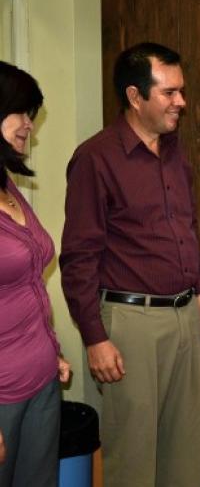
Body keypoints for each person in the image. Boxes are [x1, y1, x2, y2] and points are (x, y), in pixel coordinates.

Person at [60, 42, 200, 487]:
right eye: (169, 93)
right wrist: (95, 338)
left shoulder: (174, 150)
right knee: (133, 456)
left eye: (181, 91)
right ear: (134, 96)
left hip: (185, 316)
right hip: (131, 323)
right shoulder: (96, 157)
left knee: (184, 452)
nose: (181, 102)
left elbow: (187, 224)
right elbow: (78, 257)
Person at [0, 61, 70, 486]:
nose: (30, 126)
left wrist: (52, 349)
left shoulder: (8, 187)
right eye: (22, 113)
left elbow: (25, 287)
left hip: (42, 380)